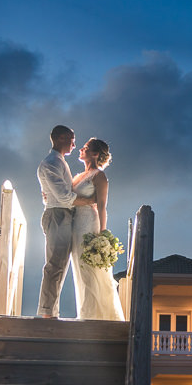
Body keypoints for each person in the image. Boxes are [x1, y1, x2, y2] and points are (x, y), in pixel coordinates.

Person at [36, 125, 95, 319]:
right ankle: (47, 313)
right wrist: (88, 201)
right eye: (71, 138)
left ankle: (50, 311)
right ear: (60, 138)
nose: (74, 143)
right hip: (57, 215)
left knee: (60, 264)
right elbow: (62, 197)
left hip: (63, 215)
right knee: (55, 264)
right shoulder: (51, 162)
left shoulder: (59, 161)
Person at [70, 138, 125, 321]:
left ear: (94, 154)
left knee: (90, 271)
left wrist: (102, 236)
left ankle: (94, 318)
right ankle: (84, 313)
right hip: (74, 225)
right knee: (78, 269)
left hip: (89, 224)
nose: (81, 149)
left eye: (85, 147)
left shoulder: (99, 176)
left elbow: (102, 206)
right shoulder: (77, 177)